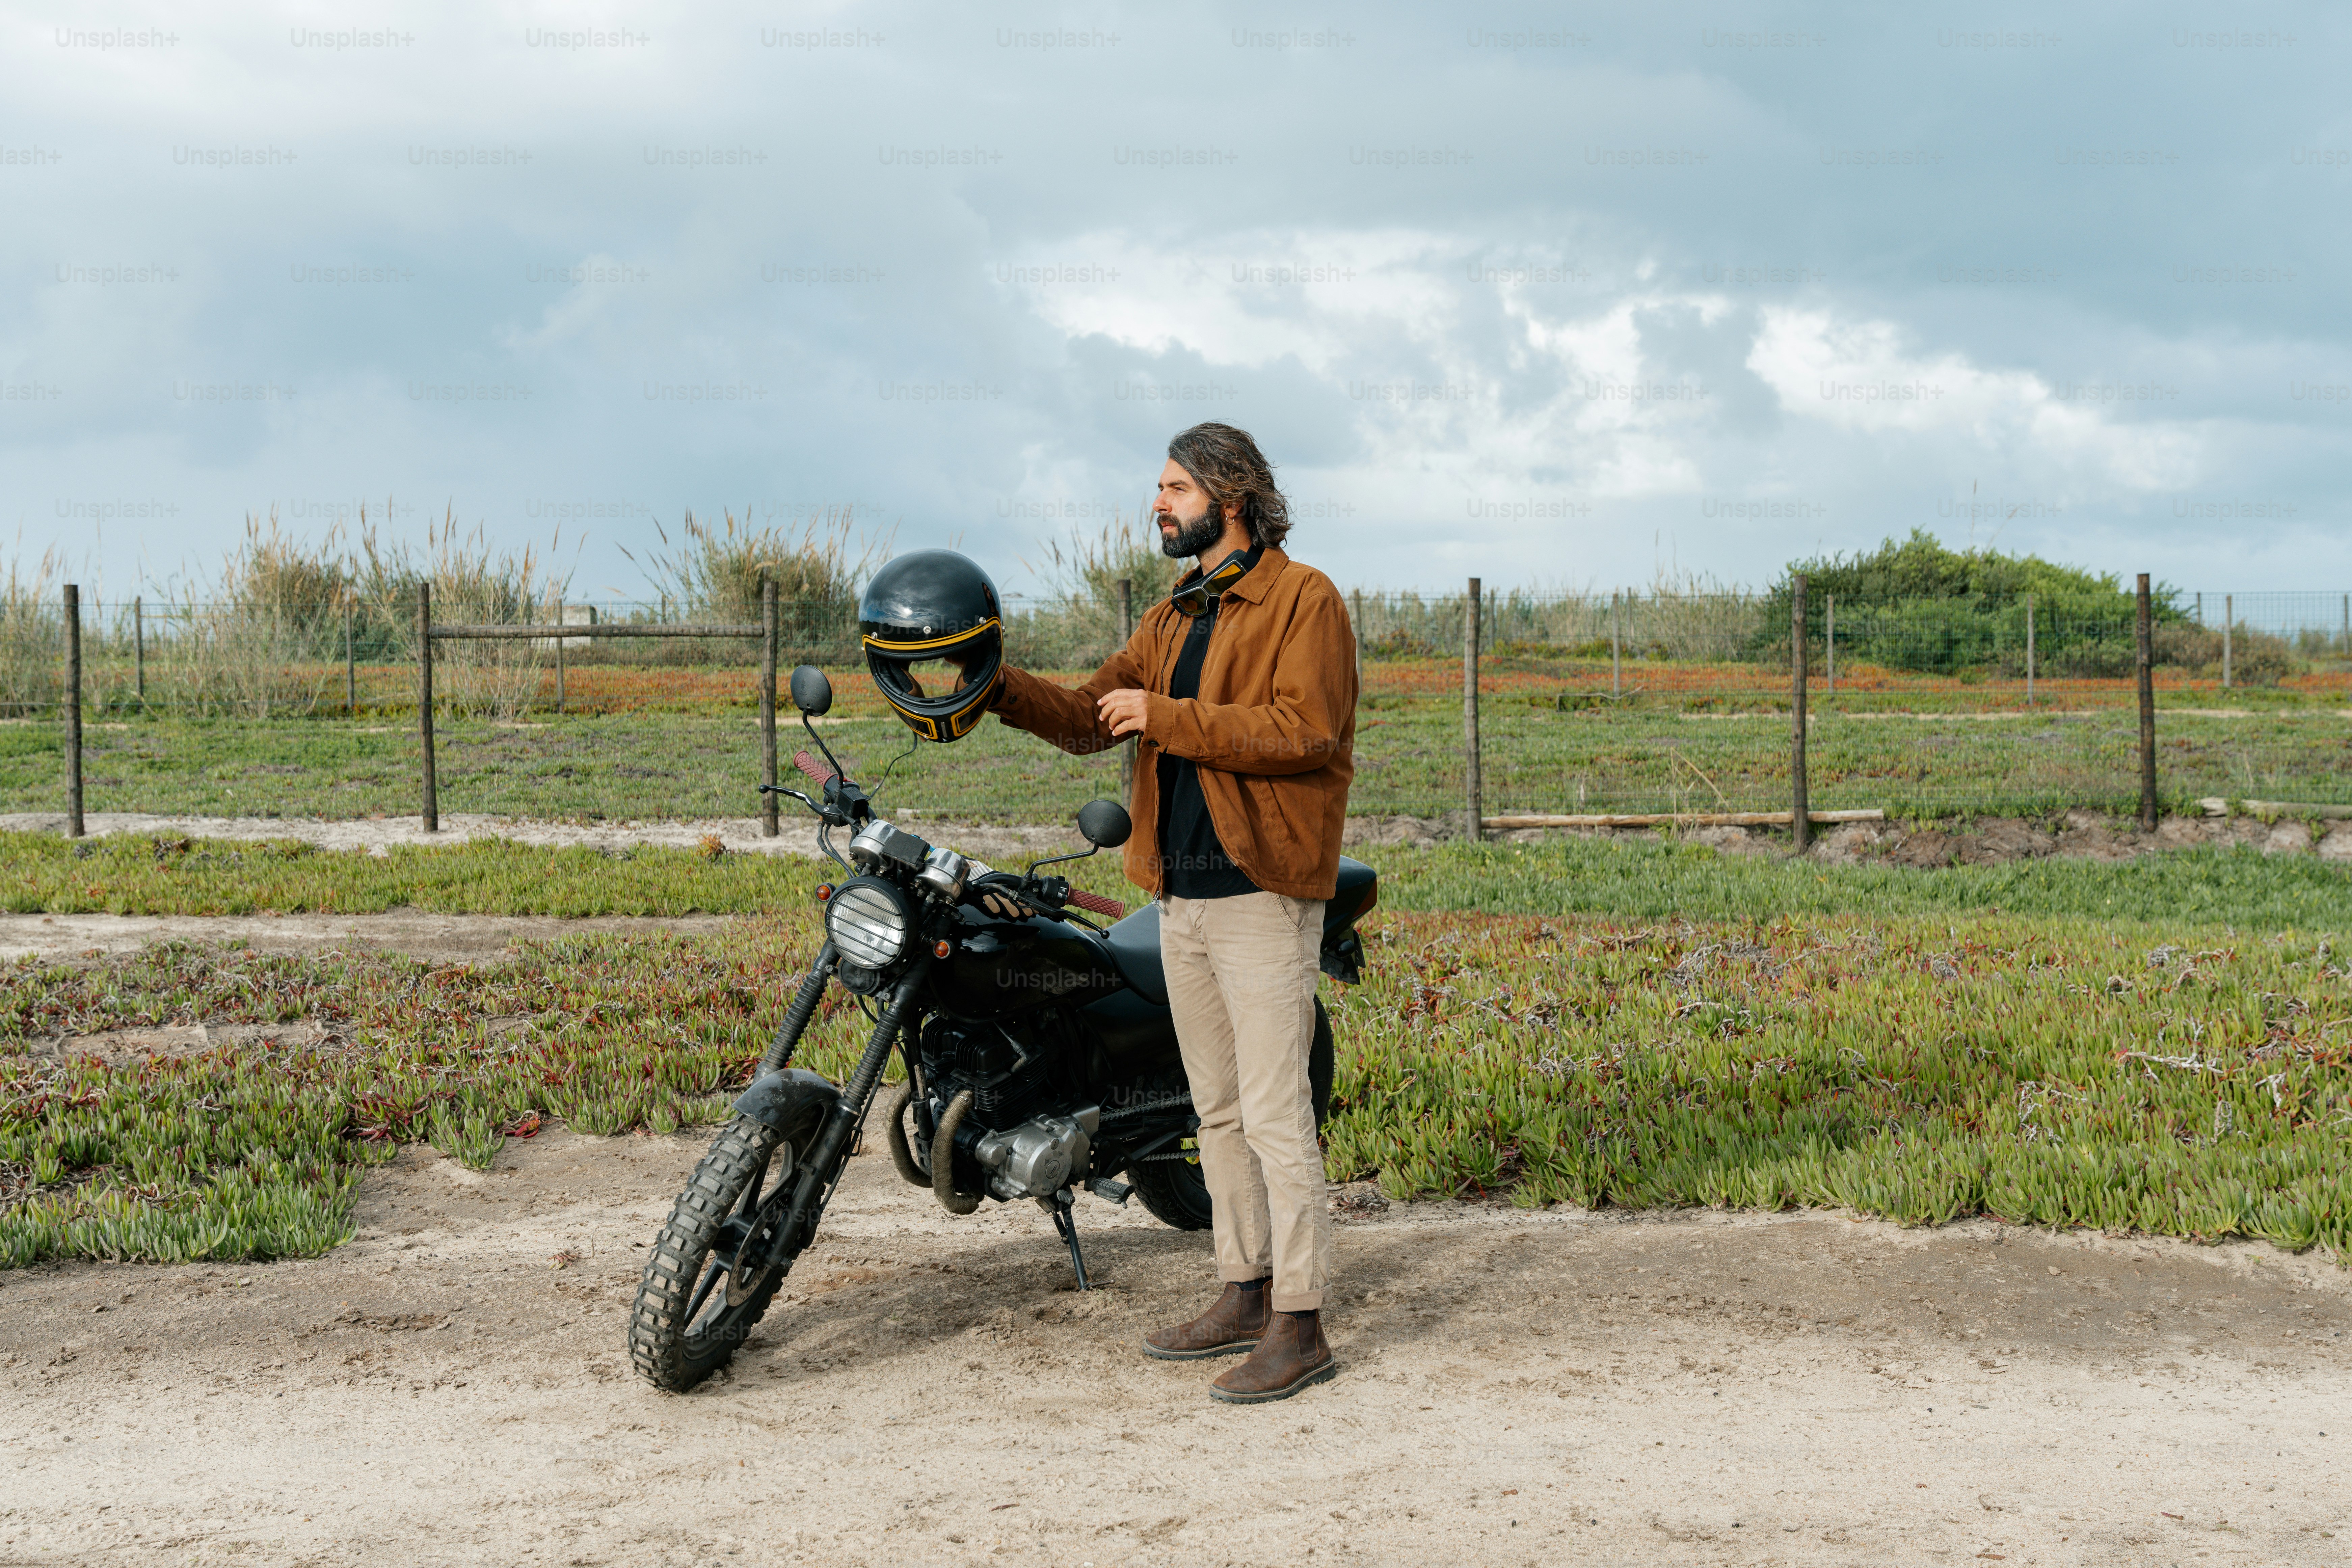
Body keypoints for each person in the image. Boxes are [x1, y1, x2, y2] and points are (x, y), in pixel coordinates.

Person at [980, 422, 1358, 1403]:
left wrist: (1169, 718)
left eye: (1175, 487)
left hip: (1264, 894)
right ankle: (1243, 1287)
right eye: (1160, 488)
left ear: (1230, 495)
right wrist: (989, 683)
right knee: (1218, 1111)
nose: (1159, 503)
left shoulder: (1303, 599)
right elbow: (1083, 716)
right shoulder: (1172, 616)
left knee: (1278, 1115)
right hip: (1181, 897)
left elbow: (1306, 732)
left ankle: (1302, 1323)